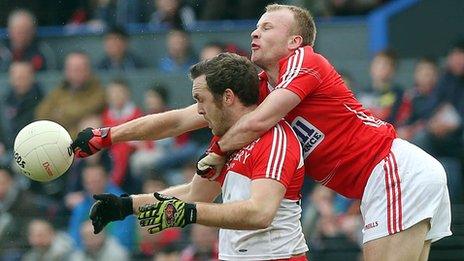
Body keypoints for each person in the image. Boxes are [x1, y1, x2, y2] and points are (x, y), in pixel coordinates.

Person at [72, 4, 452, 260]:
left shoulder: (307, 62)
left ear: (294, 41)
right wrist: (107, 136)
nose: (255, 32)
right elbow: (177, 120)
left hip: (392, 170)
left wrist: (216, 153)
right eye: (255, 26)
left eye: (267, 27)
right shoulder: (261, 88)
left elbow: (251, 125)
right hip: (378, 181)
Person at [85, 53, 309, 260]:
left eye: (201, 99)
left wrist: (191, 213)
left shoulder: (275, 139)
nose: (199, 110)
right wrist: (127, 205)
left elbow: (260, 213)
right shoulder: (225, 142)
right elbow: (194, 194)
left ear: (228, 97)